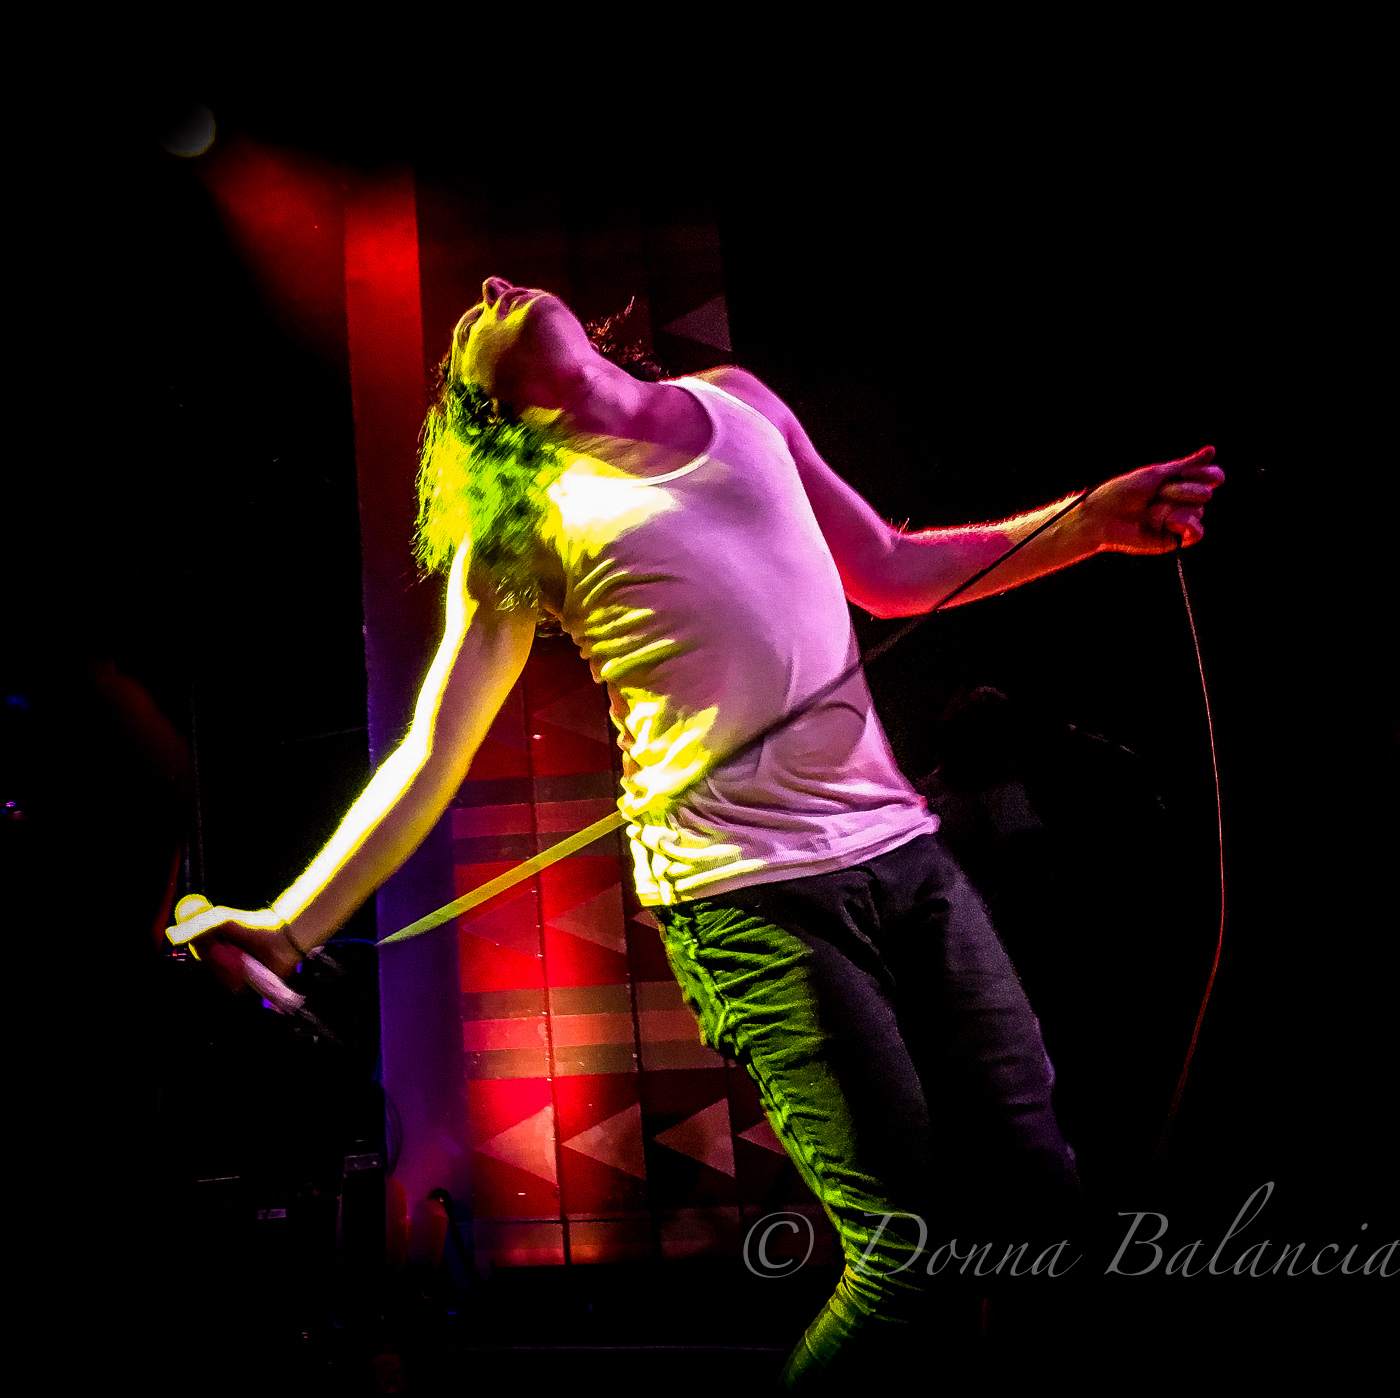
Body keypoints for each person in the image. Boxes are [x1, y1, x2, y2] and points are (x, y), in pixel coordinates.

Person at [174, 276, 1223, 1387]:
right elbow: (434, 749)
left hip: (902, 862)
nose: (490, 288)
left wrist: (1086, 523)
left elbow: (891, 573)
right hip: (748, 900)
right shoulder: (523, 523)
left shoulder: (738, 399)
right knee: (907, 1261)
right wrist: (289, 925)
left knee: (1038, 1217)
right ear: (479, 407)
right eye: (469, 320)